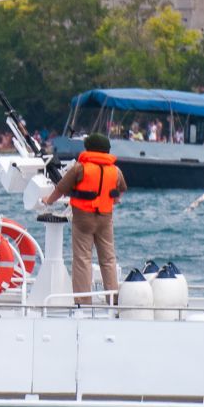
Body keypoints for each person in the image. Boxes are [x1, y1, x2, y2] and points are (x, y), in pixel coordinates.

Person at [41, 132, 124, 307]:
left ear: (89, 148)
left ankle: (83, 302)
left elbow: (61, 189)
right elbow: (118, 194)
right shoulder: (115, 170)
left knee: (82, 259)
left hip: (83, 218)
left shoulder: (80, 167)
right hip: (105, 218)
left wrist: (47, 200)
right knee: (108, 259)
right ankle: (113, 299)